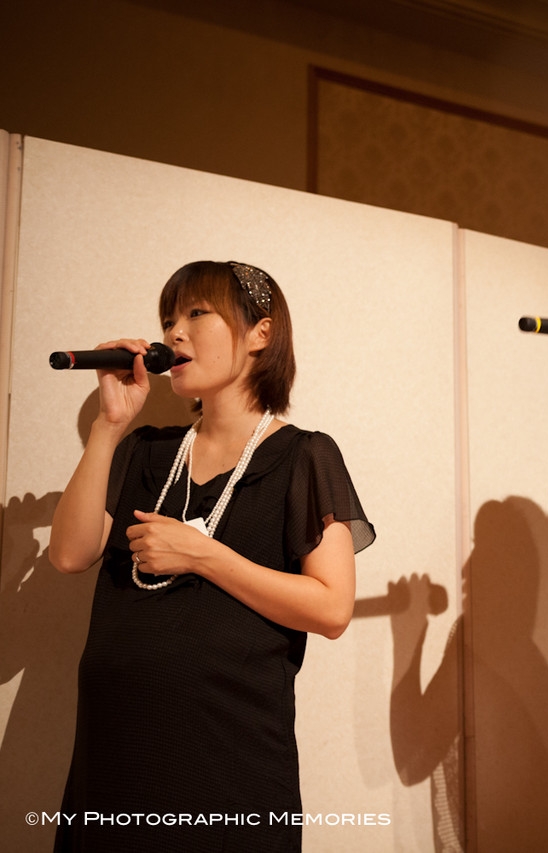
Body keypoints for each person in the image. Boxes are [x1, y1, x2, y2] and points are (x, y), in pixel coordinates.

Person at [49, 261, 375, 852]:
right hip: (114, 753)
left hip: (227, 762)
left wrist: (203, 556)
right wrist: (109, 425)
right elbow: (69, 554)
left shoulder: (304, 456)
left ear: (260, 334)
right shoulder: (146, 451)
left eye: (196, 314)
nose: (174, 333)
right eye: (167, 319)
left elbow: (332, 609)